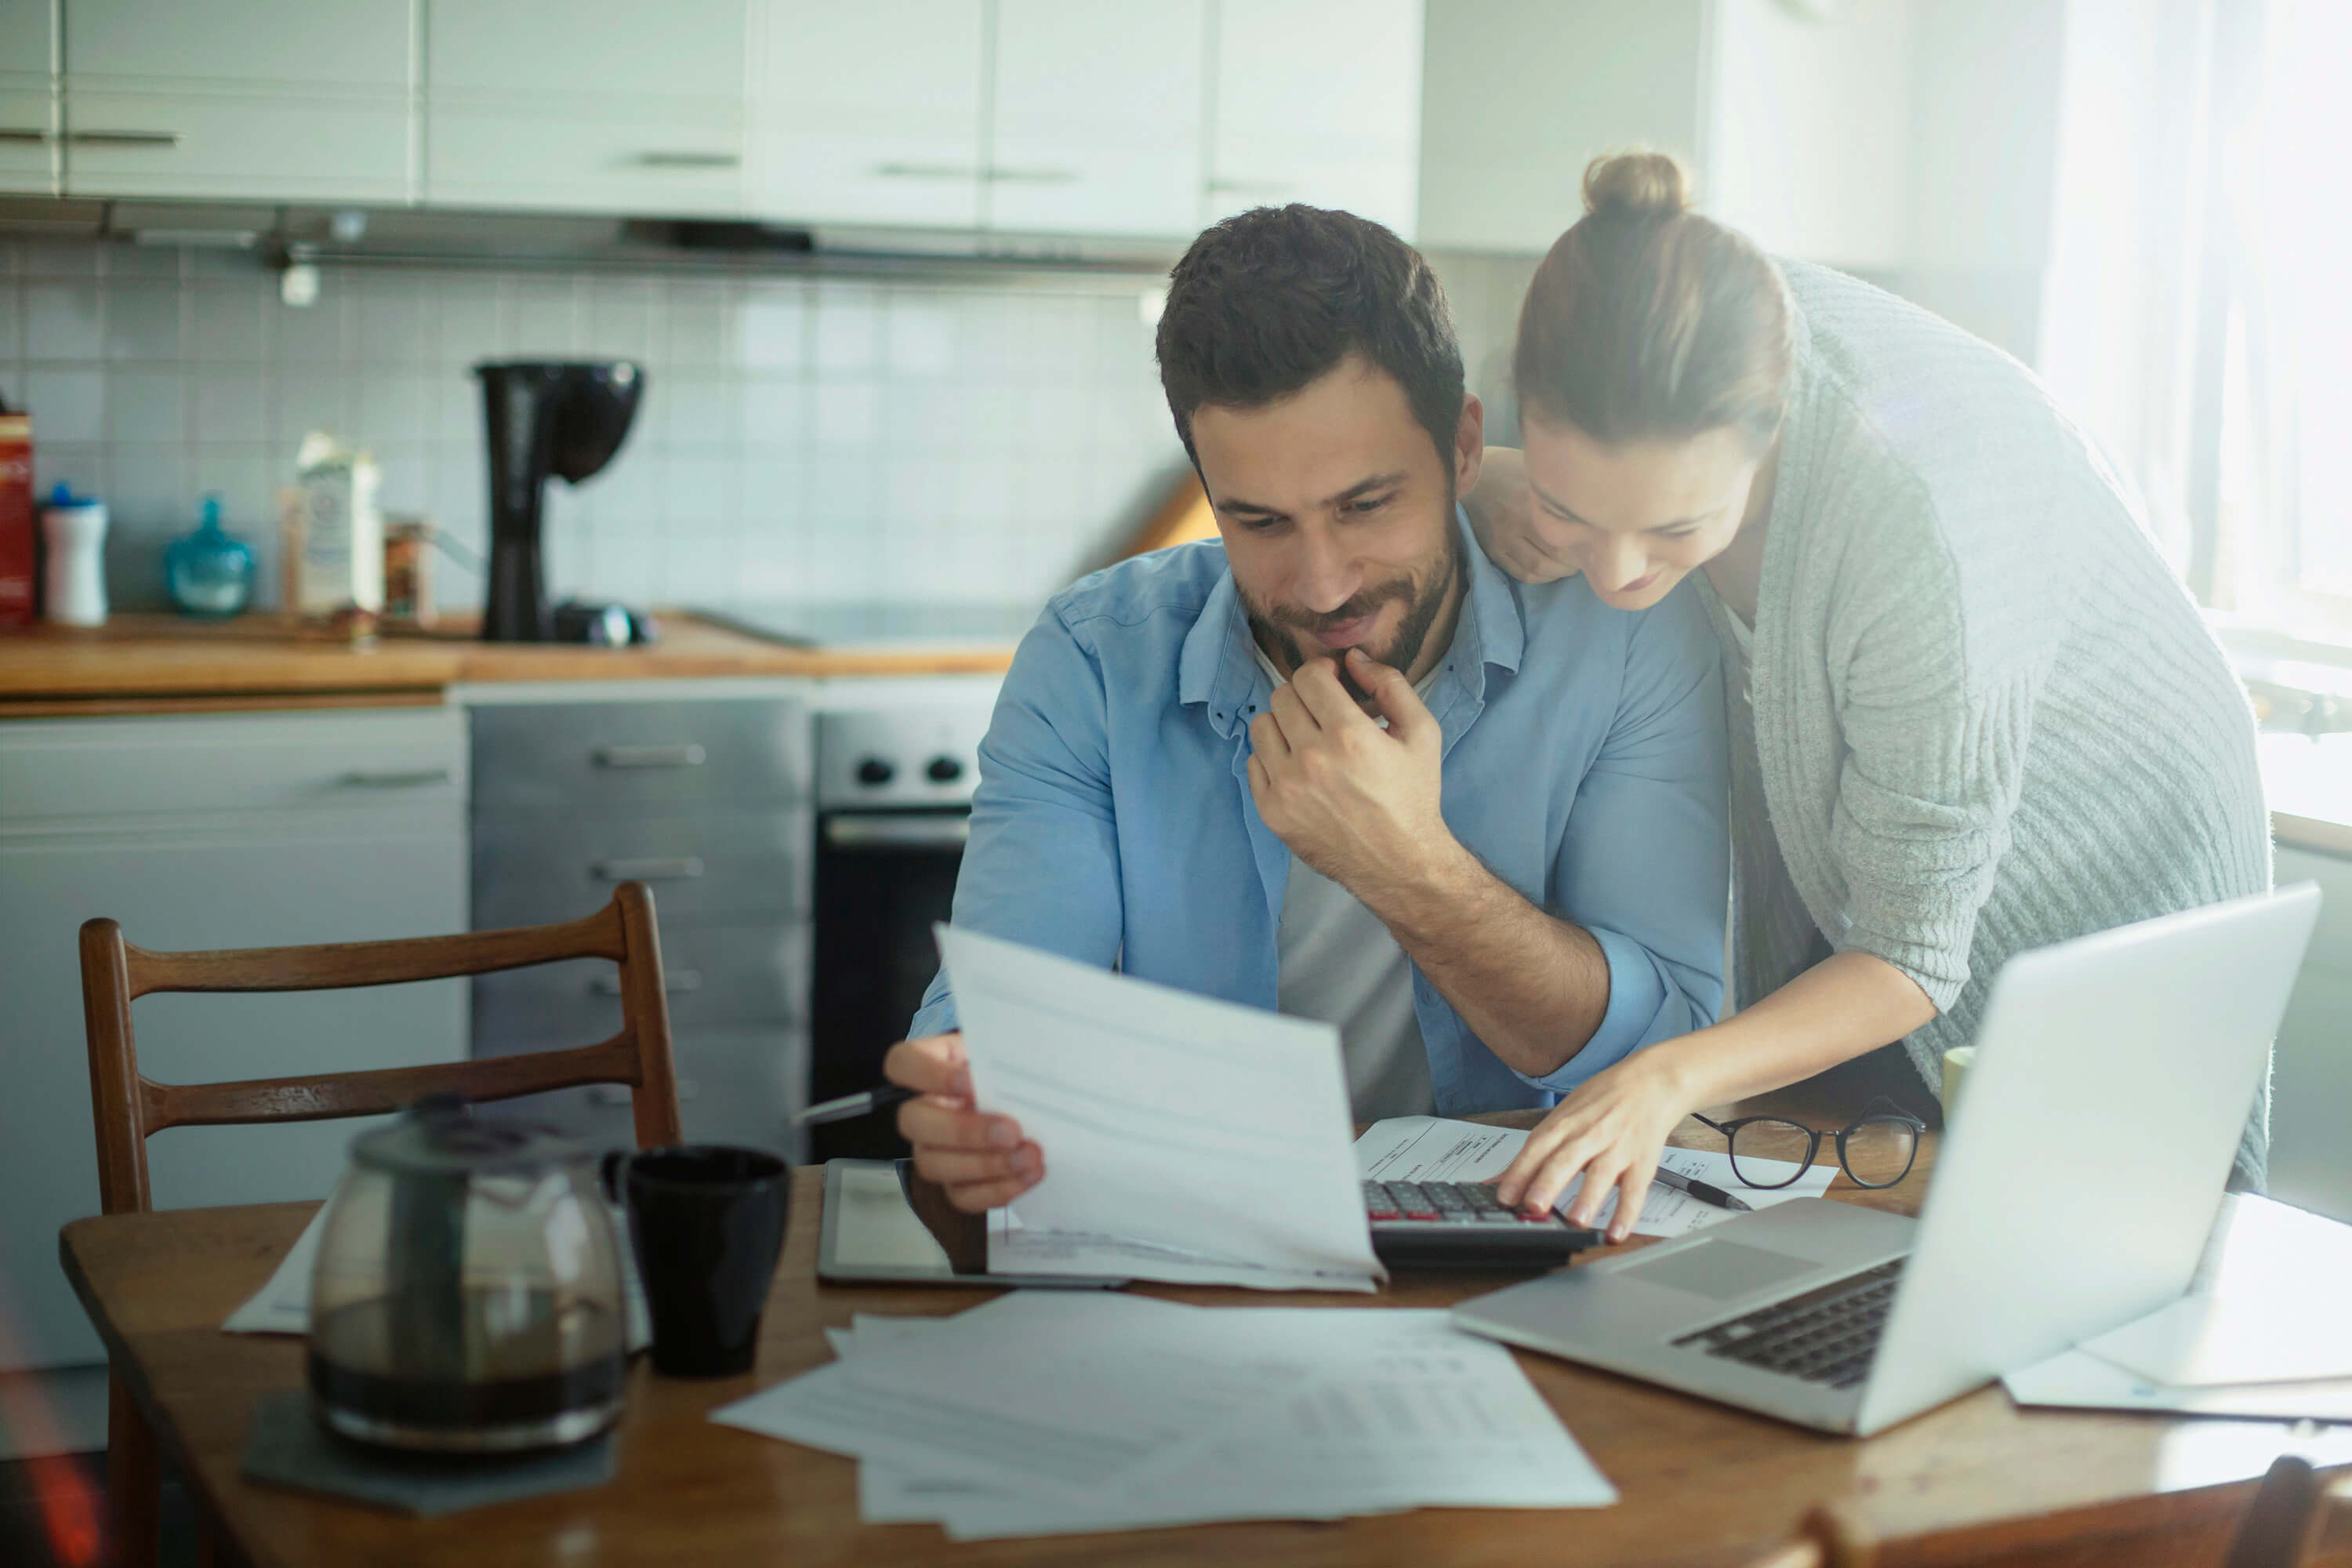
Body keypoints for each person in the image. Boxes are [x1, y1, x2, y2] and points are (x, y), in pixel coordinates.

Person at [882, 204, 1730, 1225]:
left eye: (1367, 506)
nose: (1323, 585)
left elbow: (1667, 1044)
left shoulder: (1625, 640)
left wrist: (1412, 869)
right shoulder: (1097, 659)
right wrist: (974, 1096)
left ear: (1466, 449)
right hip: (1188, 1243)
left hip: (1522, 1249)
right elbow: (1008, 1012)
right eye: (1261, 521)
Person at [1470, 152, 2272, 1229]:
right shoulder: (1657, 329)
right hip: (1888, 910)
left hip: (2114, 842)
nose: (1616, 577)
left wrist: (1665, 1077)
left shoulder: (1913, 528)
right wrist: (1506, 480)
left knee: (2096, 1239)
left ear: (1771, 436)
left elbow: (1905, 954)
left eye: (1673, 531)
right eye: (1577, 512)